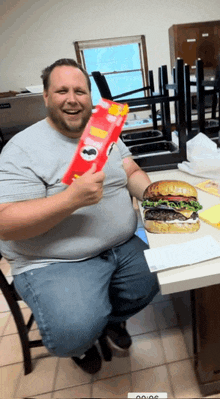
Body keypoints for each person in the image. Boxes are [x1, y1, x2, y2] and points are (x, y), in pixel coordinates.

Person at [0, 59, 159, 374]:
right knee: (73, 330)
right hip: (54, 260)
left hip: (122, 243)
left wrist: (157, 196)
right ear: (45, 97)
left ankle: (110, 321)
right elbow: (6, 223)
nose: (72, 98)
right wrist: (69, 200)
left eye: (80, 91)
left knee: (156, 279)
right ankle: (82, 344)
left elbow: (130, 170)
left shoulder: (104, 131)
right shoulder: (21, 150)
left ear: (90, 98)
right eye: (61, 91)